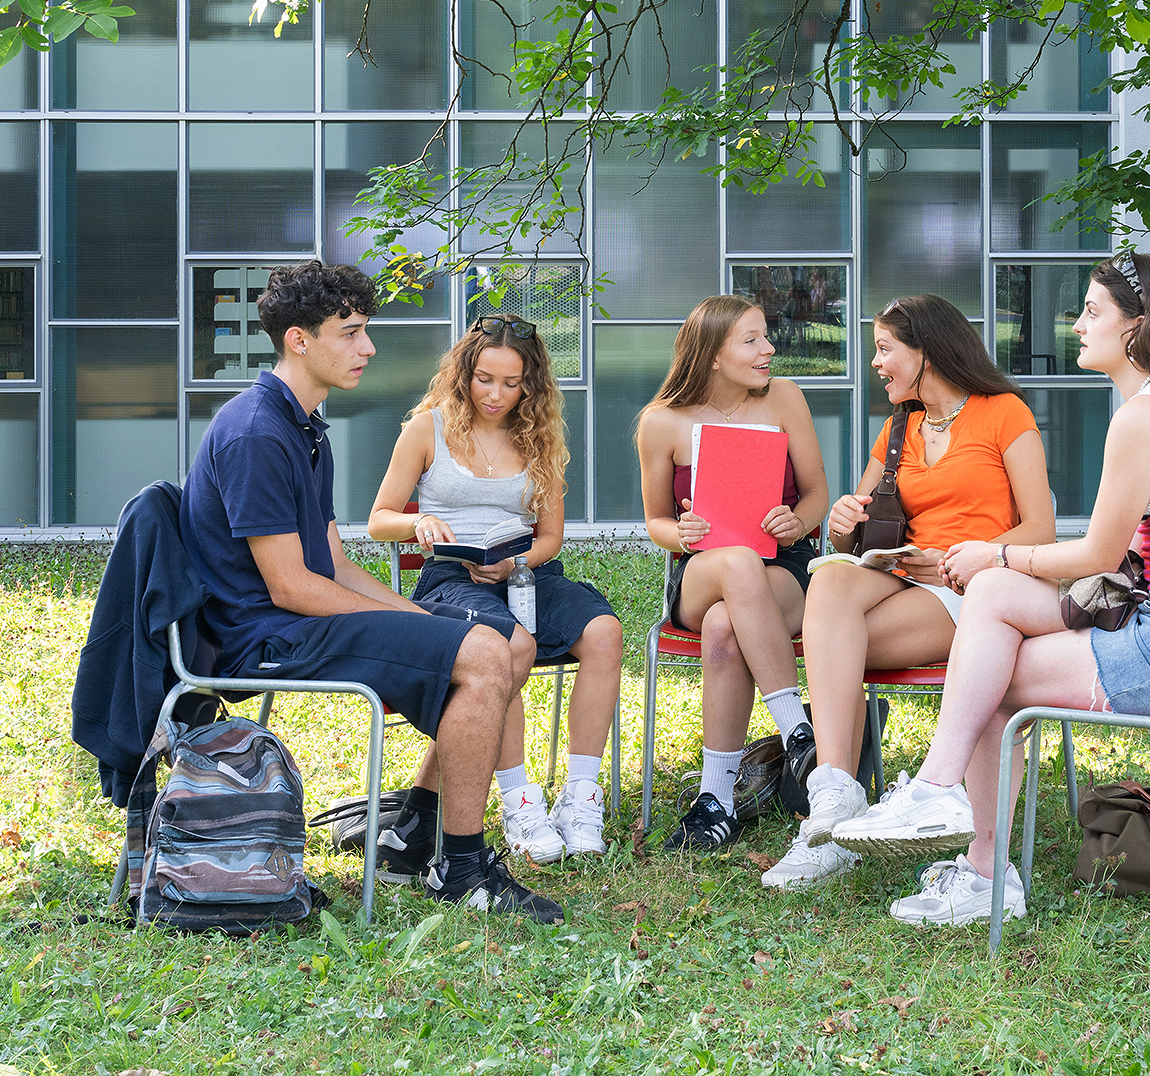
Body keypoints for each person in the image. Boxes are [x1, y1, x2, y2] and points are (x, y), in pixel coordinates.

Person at [825, 251, 1150, 926]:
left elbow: (1097, 552)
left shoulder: (1146, 416)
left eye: (1093, 311)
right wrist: (1000, 566)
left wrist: (996, 549)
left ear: (1136, 328)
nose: (1077, 322)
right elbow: (1121, 560)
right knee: (994, 604)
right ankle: (953, 816)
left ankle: (972, 851)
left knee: (988, 673)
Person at [183, 260, 560, 922]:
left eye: (366, 330)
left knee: (500, 642)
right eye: (351, 332)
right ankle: (462, 867)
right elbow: (292, 584)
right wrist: (435, 632)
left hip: (301, 616)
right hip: (268, 636)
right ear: (299, 339)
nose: (368, 347)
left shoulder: (303, 426)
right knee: (480, 653)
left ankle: (418, 824)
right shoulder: (255, 432)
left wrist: (417, 615)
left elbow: (333, 560)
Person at [761, 294, 1055, 892]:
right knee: (833, 577)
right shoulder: (902, 428)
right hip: (902, 578)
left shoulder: (1004, 413)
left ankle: (833, 817)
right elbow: (853, 529)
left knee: (832, 640)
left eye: (885, 349)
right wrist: (843, 518)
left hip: (976, 592)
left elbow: (1041, 530)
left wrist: (953, 558)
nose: (876, 362)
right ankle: (835, 797)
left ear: (927, 350)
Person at [367, 313, 623, 867]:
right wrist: (417, 525)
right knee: (509, 646)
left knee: (603, 632)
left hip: (525, 574)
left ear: (531, 383)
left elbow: (550, 536)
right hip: (452, 579)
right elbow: (378, 518)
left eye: (512, 383)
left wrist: (518, 562)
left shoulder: (541, 437)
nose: (497, 394)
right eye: (485, 379)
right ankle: (519, 801)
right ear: (465, 371)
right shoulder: (428, 427)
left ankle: (580, 796)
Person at [636, 294, 830, 849]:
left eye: (766, 335)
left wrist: (796, 521)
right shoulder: (661, 421)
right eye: (752, 340)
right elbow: (655, 520)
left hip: (783, 566)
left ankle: (715, 798)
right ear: (712, 355)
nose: (769, 349)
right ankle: (797, 729)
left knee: (726, 625)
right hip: (700, 568)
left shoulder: (785, 399)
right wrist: (682, 533)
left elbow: (818, 494)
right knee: (733, 567)